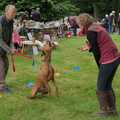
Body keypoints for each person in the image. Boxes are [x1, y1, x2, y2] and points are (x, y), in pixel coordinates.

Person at [76, 13, 120, 117]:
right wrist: (89, 47)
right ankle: (112, 110)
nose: (78, 25)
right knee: (107, 85)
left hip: (108, 60)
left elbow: (96, 51)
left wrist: (100, 66)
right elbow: (96, 43)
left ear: (83, 22)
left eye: (79, 23)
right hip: (115, 58)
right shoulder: (95, 27)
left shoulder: (91, 31)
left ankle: (103, 111)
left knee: (100, 87)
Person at [0, 5, 16, 93]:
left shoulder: (11, 22)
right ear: (6, 12)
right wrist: (9, 50)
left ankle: (2, 84)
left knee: (6, 65)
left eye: (14, 12)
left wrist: (12, 47)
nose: (14, 14)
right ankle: (1, 86)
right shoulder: (0, 21)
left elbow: (10, 38)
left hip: (3, 49)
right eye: (12, 13)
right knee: (1, 66)